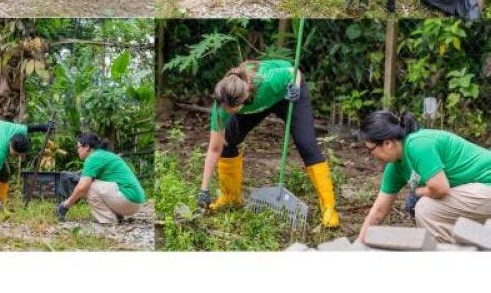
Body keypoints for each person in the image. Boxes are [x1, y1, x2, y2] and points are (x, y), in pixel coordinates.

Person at [197, 59, 340, 228]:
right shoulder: (222, 104)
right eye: (223, 107)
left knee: (306, 144)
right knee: (227, 142)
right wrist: (204, 189)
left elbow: (293, 70)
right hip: (255, 104)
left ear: (243, 98)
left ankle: (329, 209)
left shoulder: (269, 81)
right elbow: (215, 148)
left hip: (286, 94)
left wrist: (294, 86)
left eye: (229, 109)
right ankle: (230, 197)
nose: (225, 112)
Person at [356, 111, 491, 244]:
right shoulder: (395, 167)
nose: (370, 155)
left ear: (387, 143)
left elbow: (440, 188)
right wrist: (358, 245)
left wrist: (417, 192)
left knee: (425, 208)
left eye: (370, 149)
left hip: (487, 184)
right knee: (420, 205)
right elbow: (379, 211)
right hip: (478, 191)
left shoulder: (418, 145)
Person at [56, 133, 145, 224]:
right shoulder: (104, 155)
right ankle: (117, 216)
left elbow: (82, 187)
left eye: (78, 147)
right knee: (90, 184)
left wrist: (65, 205)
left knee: (87, 187)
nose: (77, 150)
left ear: (86, 146)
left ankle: (108, 220)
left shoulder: (93, 158)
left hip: (127, 199)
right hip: (135, 201)